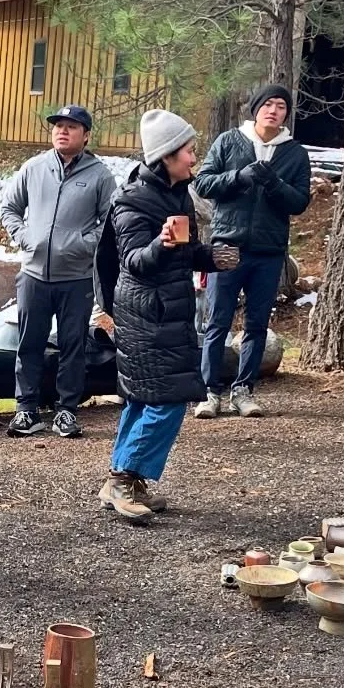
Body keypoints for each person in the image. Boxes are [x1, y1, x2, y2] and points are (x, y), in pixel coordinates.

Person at [95, 110, 239, 523]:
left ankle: (124, 481)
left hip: (169, 310)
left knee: (144, 399)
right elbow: (136, 262)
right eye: (189, 151)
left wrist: (213, 257)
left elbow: (186, 252)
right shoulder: (132, 202)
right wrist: (160, 243)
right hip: (145, 313)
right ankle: (123, 478)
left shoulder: (177, 195)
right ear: (166, 156)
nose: (195, 158)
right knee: (168, 401)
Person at [192, 83, 311, 418]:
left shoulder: (294, 153)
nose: (274, 111)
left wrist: (274, 183)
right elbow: (203, 183)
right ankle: (210, 392)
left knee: (257, 324)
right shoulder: (229, 141)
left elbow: (300, 202)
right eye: (268, 104)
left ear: (287, 114)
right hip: (227, 244)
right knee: (217, 321)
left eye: (281, 106)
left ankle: (243, 391)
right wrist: (239, 177)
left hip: (268, 251)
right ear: (256, 108)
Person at [0, 104, 118, 439]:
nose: (62, 131)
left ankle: (66, 411)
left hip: (77, 278)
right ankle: (26, 411)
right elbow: (9, 207)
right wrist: (25, 238)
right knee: (29, 344)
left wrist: (81, 244)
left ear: (86, 135)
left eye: (71, 126)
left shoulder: (99, 175)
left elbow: (109, 224)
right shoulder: (34, 167)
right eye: (58, 126)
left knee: (73, 346)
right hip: (33, 276)